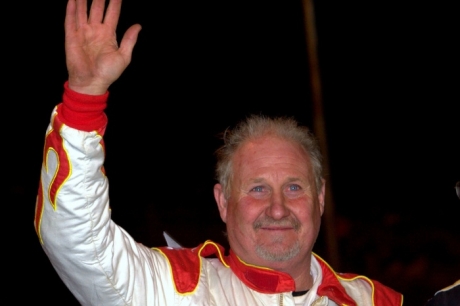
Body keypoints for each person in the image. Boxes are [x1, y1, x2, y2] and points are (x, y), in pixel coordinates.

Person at [34, 0, 403, 304]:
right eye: (257, 189)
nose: (278, 209)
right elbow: (78, 240)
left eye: (294, 187)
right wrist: (84, 97)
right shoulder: (171, 289)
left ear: (320, 197)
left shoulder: (376, 300)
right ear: (223, 202)